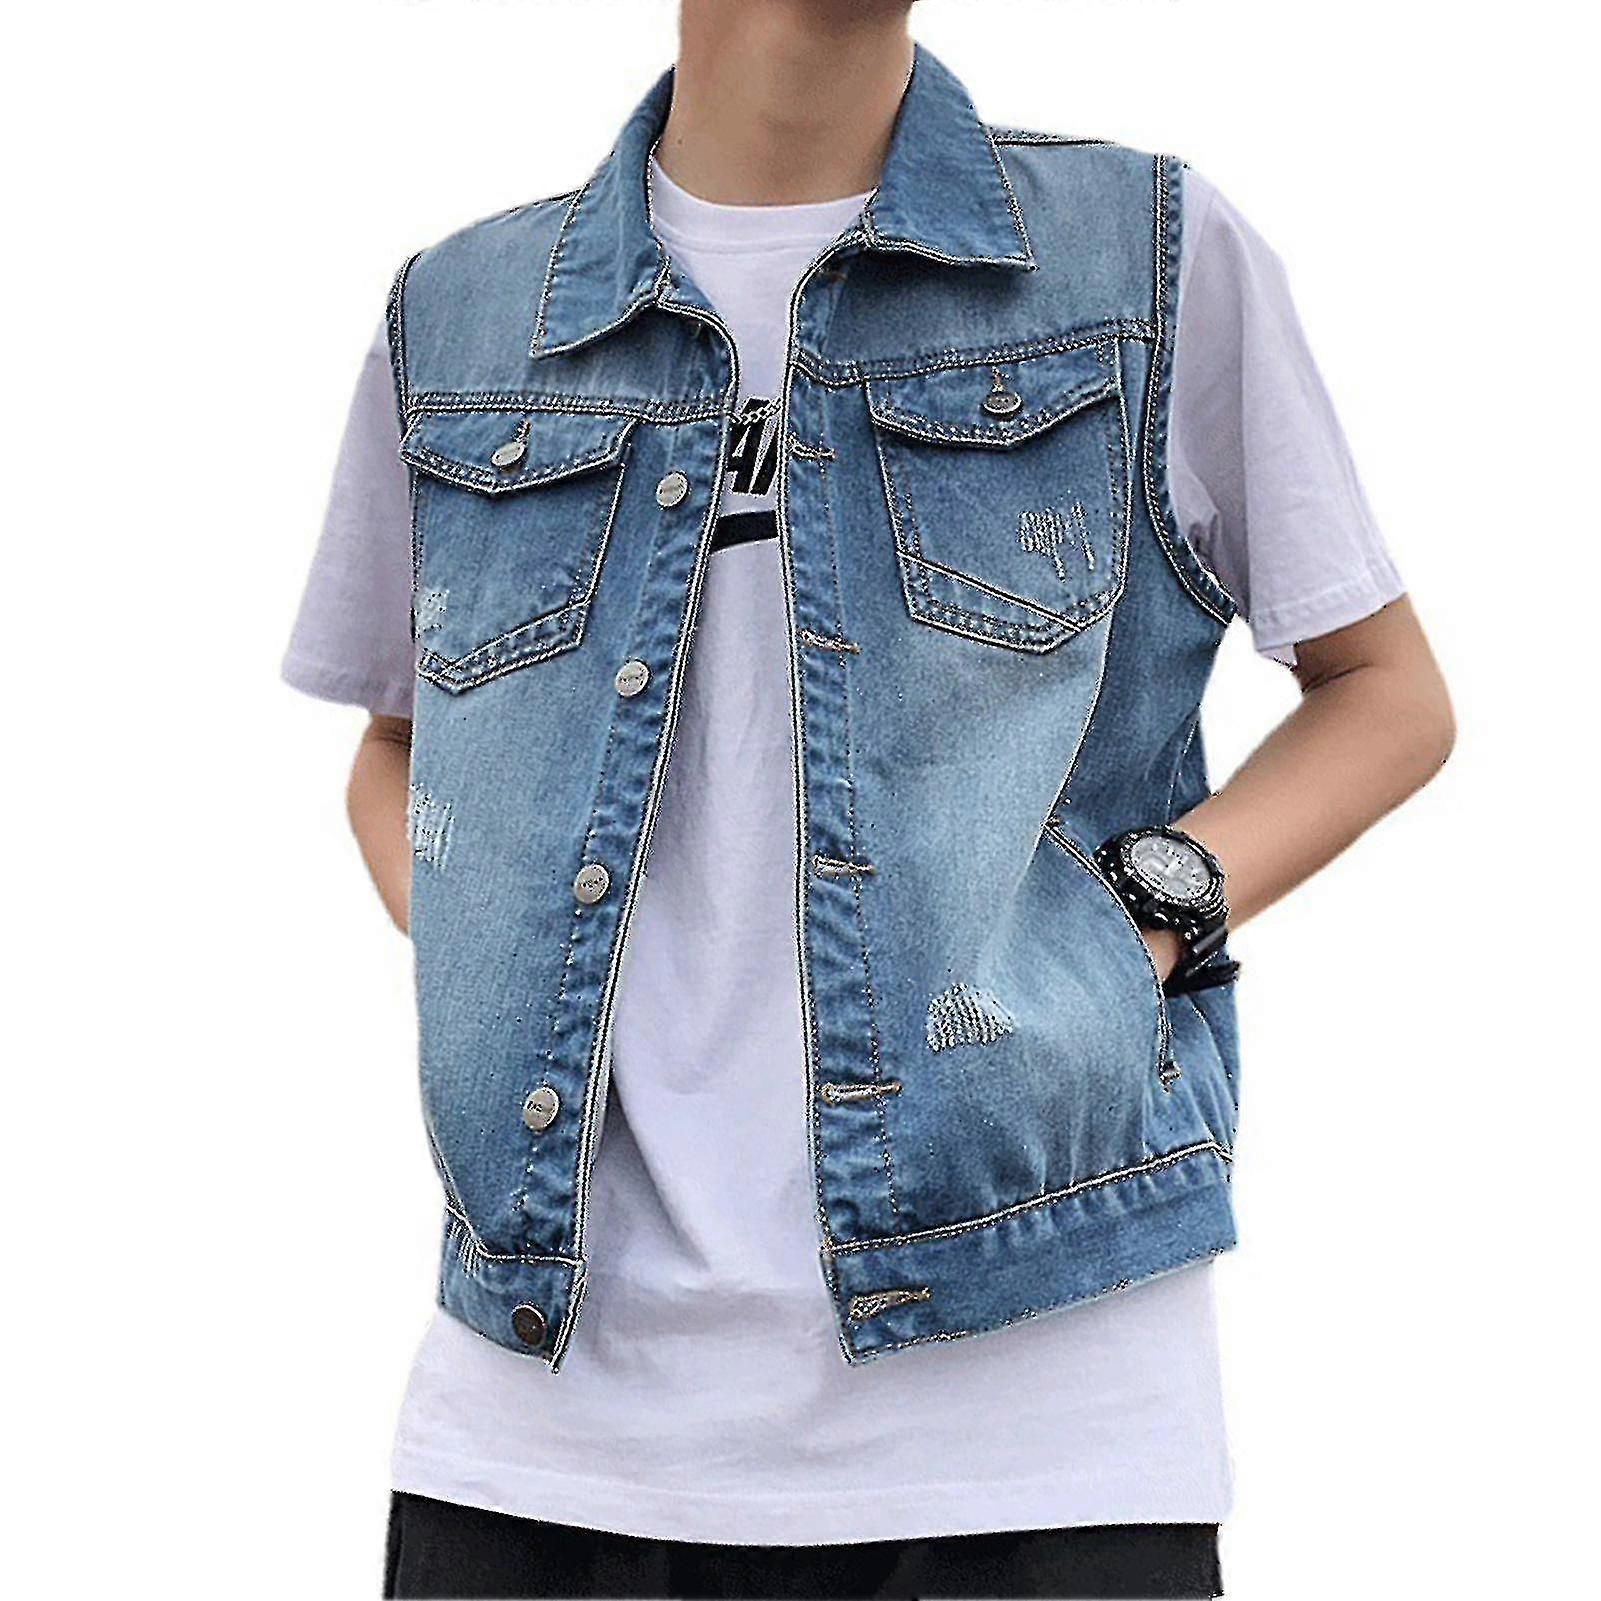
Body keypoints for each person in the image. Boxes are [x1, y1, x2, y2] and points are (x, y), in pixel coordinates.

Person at [282, 2, 1454, 1595]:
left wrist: (1140, 916)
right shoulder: (464, 314)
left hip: (1039, 1417)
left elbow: (1385, 694)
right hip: (541, 1429)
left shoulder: (1141, 256)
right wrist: (501, 945)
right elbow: (398, 748)